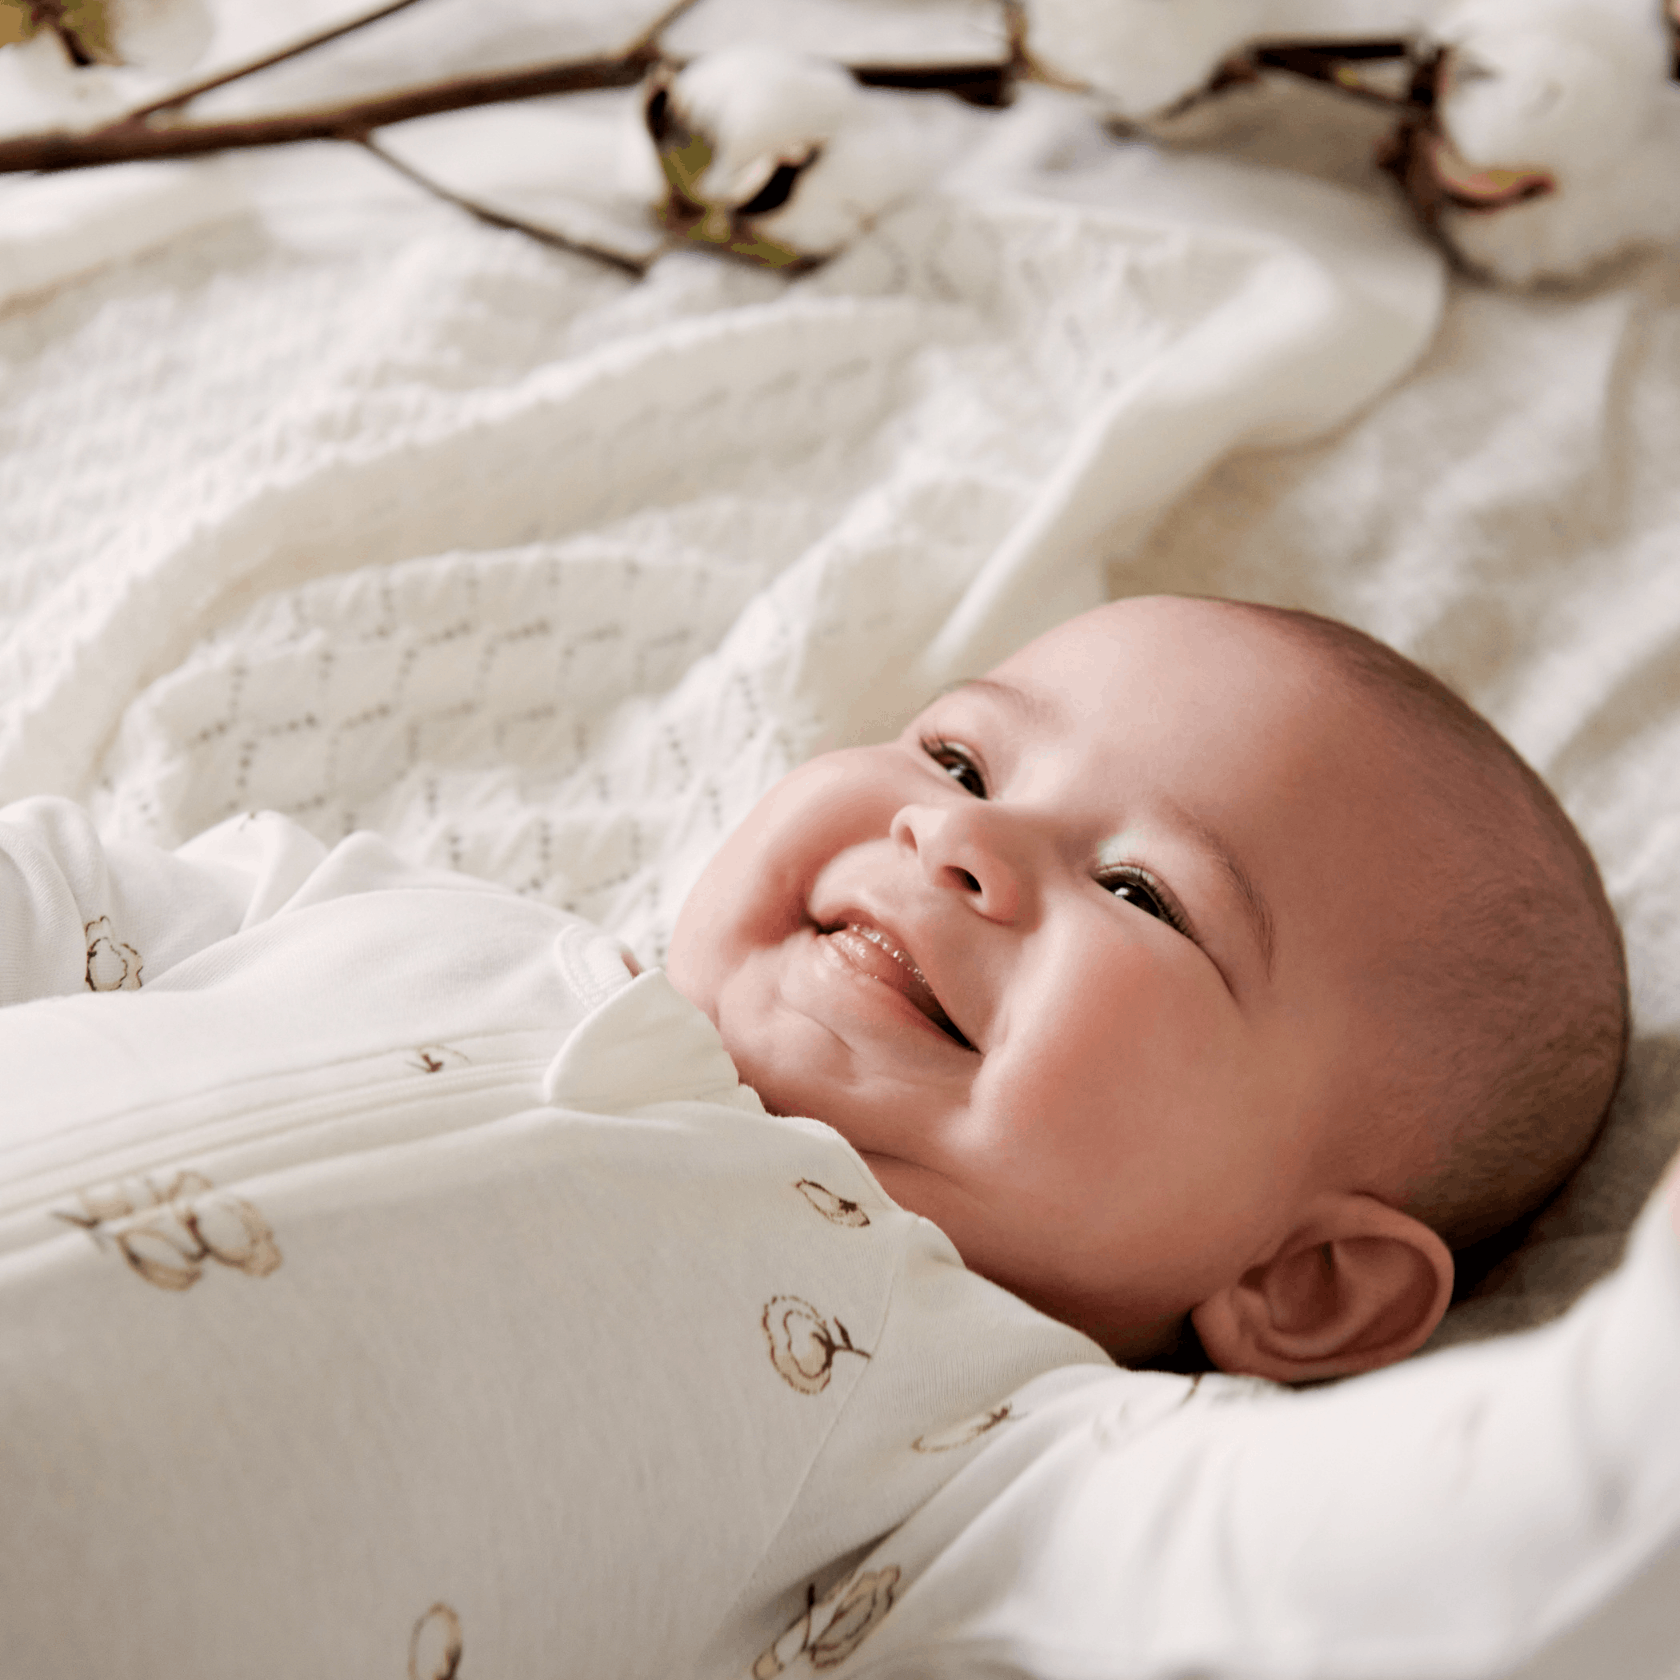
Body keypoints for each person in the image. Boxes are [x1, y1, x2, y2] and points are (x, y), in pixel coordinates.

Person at [0, 595, 1658, 1680]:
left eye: (1147, 893)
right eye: (958, 751)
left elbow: (1461, 1537)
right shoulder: (399, 917)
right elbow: (50, 893)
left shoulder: (966, 1468)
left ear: (1303, 1284)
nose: (962, 837)